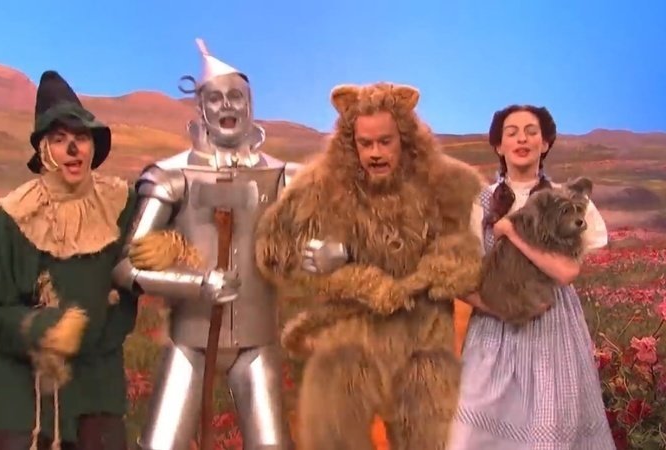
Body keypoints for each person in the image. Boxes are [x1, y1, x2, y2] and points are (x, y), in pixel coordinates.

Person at [254, 82, 485, 449]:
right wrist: (345, 274)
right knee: (332, 435)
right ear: (351, 144)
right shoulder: (320, 188)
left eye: (385, 142)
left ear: (405, 139)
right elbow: (275, 255)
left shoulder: (449, 184)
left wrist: (441, 266)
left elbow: (475, 253)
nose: (375, 153)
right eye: (365, 144)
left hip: (423, 346)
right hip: (348, 348)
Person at [111, 39, 300, 450]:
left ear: (251, 105)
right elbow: (127, 268)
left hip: (257, 339)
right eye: (215, 98)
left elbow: (306, 239)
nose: (226, 106)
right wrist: (196, 284)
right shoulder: (171, 176)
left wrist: (319, 254)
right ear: (200, 107)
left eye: (236, 97)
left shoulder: (282, 178)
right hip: (190, 340)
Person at [0, 70, 140, 450]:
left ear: (93, 147)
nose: (73, 148)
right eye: (59, 138)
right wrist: (44, 329)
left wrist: (166, 248)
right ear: (42, 150)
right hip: (25, 393)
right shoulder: (10, 217)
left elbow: (136, 277)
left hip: (97, 386)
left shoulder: (121, 205)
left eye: (81, 137)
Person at [447, 104, 615, 449]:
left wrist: (513, 232)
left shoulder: (568, 199)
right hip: (493, 329)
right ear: (499, 145)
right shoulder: (479, 202)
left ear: (546, 142)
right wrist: (501, 307)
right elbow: (457, 278)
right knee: (473, 431)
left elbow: (566, 271)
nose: (522, 139)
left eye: (531, 132)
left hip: (552, 325)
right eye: (511, 133)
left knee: (550, 427)